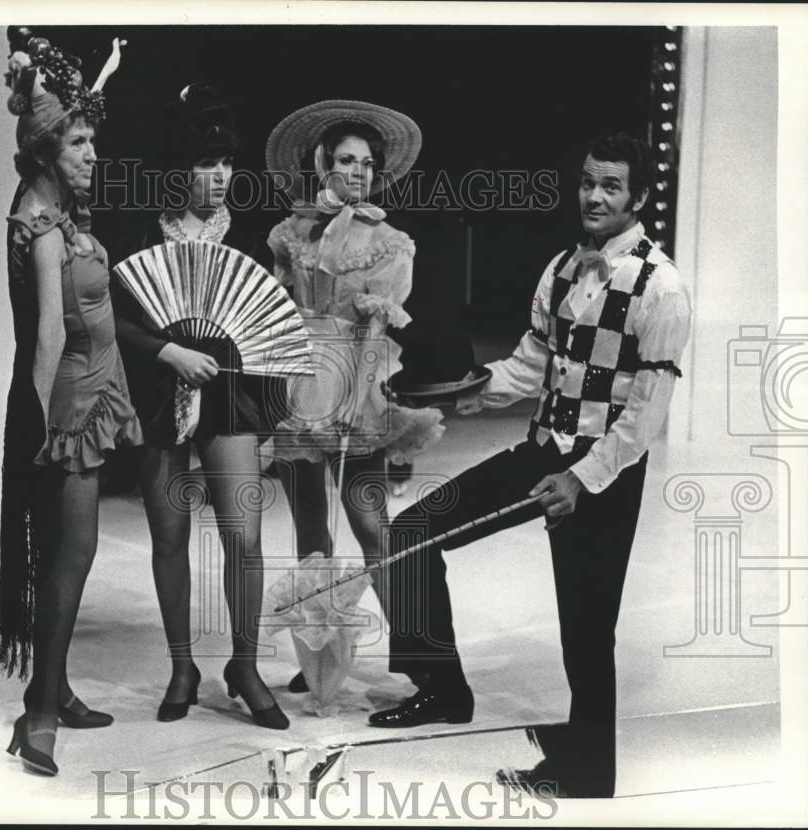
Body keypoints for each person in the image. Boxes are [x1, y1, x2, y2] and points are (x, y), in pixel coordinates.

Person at [369, 133, 692, 799]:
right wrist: (468, 389)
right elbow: (533, 365)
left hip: (602, 471)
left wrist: (581, 479)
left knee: (585, 621)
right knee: (412, 534)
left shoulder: (663, 289)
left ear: (640, 196)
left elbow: (645, 415)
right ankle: (443, 687)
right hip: (544, 450)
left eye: (610, 185)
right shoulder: (563, 268)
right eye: (587, 181)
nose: (594, 196)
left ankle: (588, 770)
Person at [111, 84, 289, 730]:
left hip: (232, 392)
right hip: (160, 391)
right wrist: (167, 353)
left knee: (244, 535)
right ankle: (182, 665)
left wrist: (269, 421)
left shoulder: (245, 238)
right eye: (206, 164)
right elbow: (113, 319)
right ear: (179, 167)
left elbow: (267, 329)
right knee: (170, 535)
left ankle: (245, 664)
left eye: (227, 165)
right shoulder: (141, 231)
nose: (219, 177)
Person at [0, 31, 142, 776]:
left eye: (92, 140)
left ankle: (56, 690)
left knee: (64, 555)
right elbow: (47, 335)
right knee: (72, 557)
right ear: (48, 150)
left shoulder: (58, 210)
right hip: (70, 410)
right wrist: (45, 430)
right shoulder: (43, 226)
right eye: (78, 142)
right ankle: (39, 716)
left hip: (88, 395)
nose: (92, 154)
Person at [264, 100, 445, 693]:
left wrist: (353, 399)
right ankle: (319, 656)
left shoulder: (390, 242)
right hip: (298, 385)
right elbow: (277, 311)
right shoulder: (292, 234)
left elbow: (377, 330)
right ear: (322, 166)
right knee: (309, 530)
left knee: (371, 527)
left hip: (355, 387)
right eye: (346, 160)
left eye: (367, 163)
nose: (357, 172)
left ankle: (421, 658)